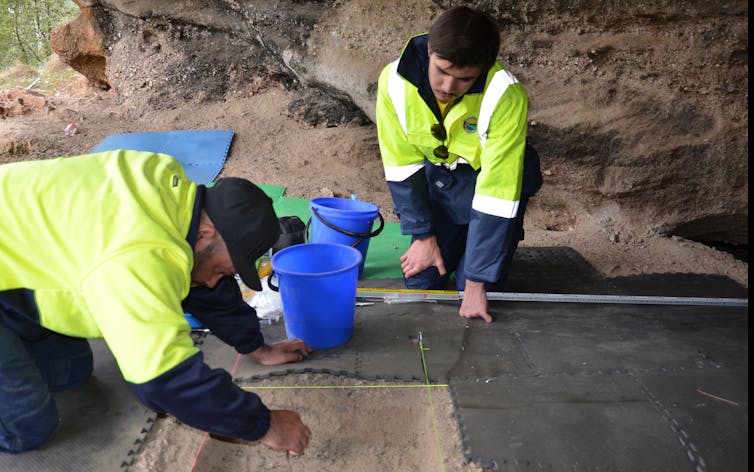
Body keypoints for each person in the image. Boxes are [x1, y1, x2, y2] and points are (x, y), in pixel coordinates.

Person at [0, 149, 313, 455]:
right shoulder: (138, 256)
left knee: (69, 375)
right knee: (29, 426)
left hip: (21, 259)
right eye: (221, 269)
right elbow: (164, 379)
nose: (217, 279)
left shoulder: (172, 192)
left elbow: (203, 284)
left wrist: (257, 347)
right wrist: (266, 425)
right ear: (206, 233)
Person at [376, 6, 543, 322]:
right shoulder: (394, 82)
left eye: (464, 79)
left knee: (478, 287)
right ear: (429, 50)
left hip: (490, 181)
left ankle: (484, 254)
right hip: (441, 179)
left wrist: (477, 280)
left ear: (483, 68)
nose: (448, 87)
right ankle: (455, 241)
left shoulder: (506, 94)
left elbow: (498, 191)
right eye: (442, 70)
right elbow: (401, 166)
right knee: (422, 280)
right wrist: (423, 235)